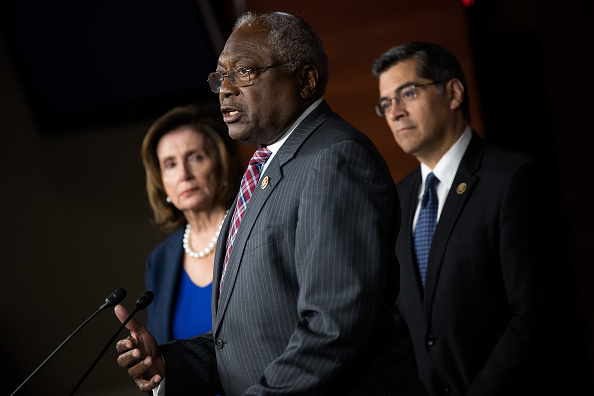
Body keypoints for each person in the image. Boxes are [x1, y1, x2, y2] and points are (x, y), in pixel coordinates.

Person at [113, 11, 427, 396]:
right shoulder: (266, 168)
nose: (225, 89)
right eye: (220, 77)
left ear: (305, 80)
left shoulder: (335, 158)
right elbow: (257, 334)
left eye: (243, 72)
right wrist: (170, 362)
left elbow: (334, 329)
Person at [372, 41, 592, 395]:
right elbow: (403, 324)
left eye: (408, 93)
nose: (395, 112)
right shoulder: (396, 199)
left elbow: (535, 316)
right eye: (386, 103)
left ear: (454, 93)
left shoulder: (515, 179)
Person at [140, 105, 243, 345]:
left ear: (222, 164)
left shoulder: (251, 228)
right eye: (170, 164)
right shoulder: (159, 261)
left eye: (195, 157)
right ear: (161, 181)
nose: (184, 174)